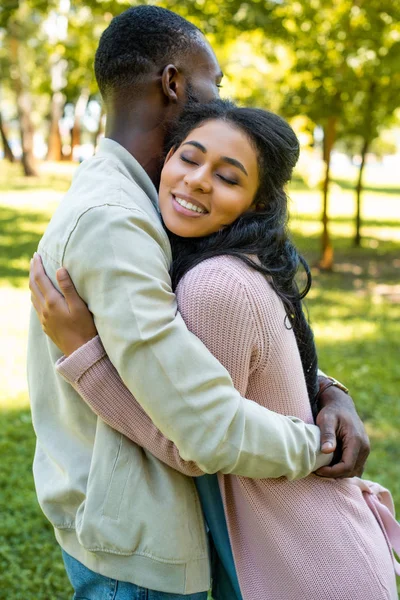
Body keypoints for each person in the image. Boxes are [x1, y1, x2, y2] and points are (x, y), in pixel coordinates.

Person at [27, 6, 369, 599]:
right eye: (216, 82)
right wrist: (318, 443)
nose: (219, 98)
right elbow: (204, 428)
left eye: (229, 176)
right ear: (174, 82)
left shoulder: (156, 214)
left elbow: (226, 344)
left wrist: (325, 390)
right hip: (134, 543)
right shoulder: (119, 223)